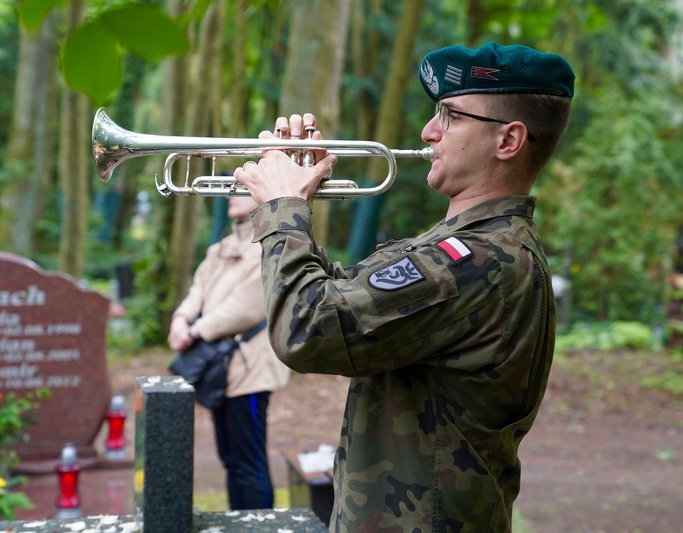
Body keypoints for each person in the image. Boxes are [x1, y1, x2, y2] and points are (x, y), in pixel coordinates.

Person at [234, 42, 574, 531]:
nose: (428, 131)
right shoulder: (461, 249)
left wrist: (282, 209)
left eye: (451, 117)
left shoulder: (480, 262)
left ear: (508, 141)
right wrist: (297, 196)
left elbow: (305, 328)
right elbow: (340, 302)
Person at [167, 195, 291, 510]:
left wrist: (196, 331)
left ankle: (260, 528)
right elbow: (198, 289)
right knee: (231, 459)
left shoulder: (270, 246)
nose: (230, 194)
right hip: (221, 370)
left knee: (249, 462)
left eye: (240, 188)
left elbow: (245, 308)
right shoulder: (219, 249)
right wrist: (181, 320)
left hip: (250, 372)